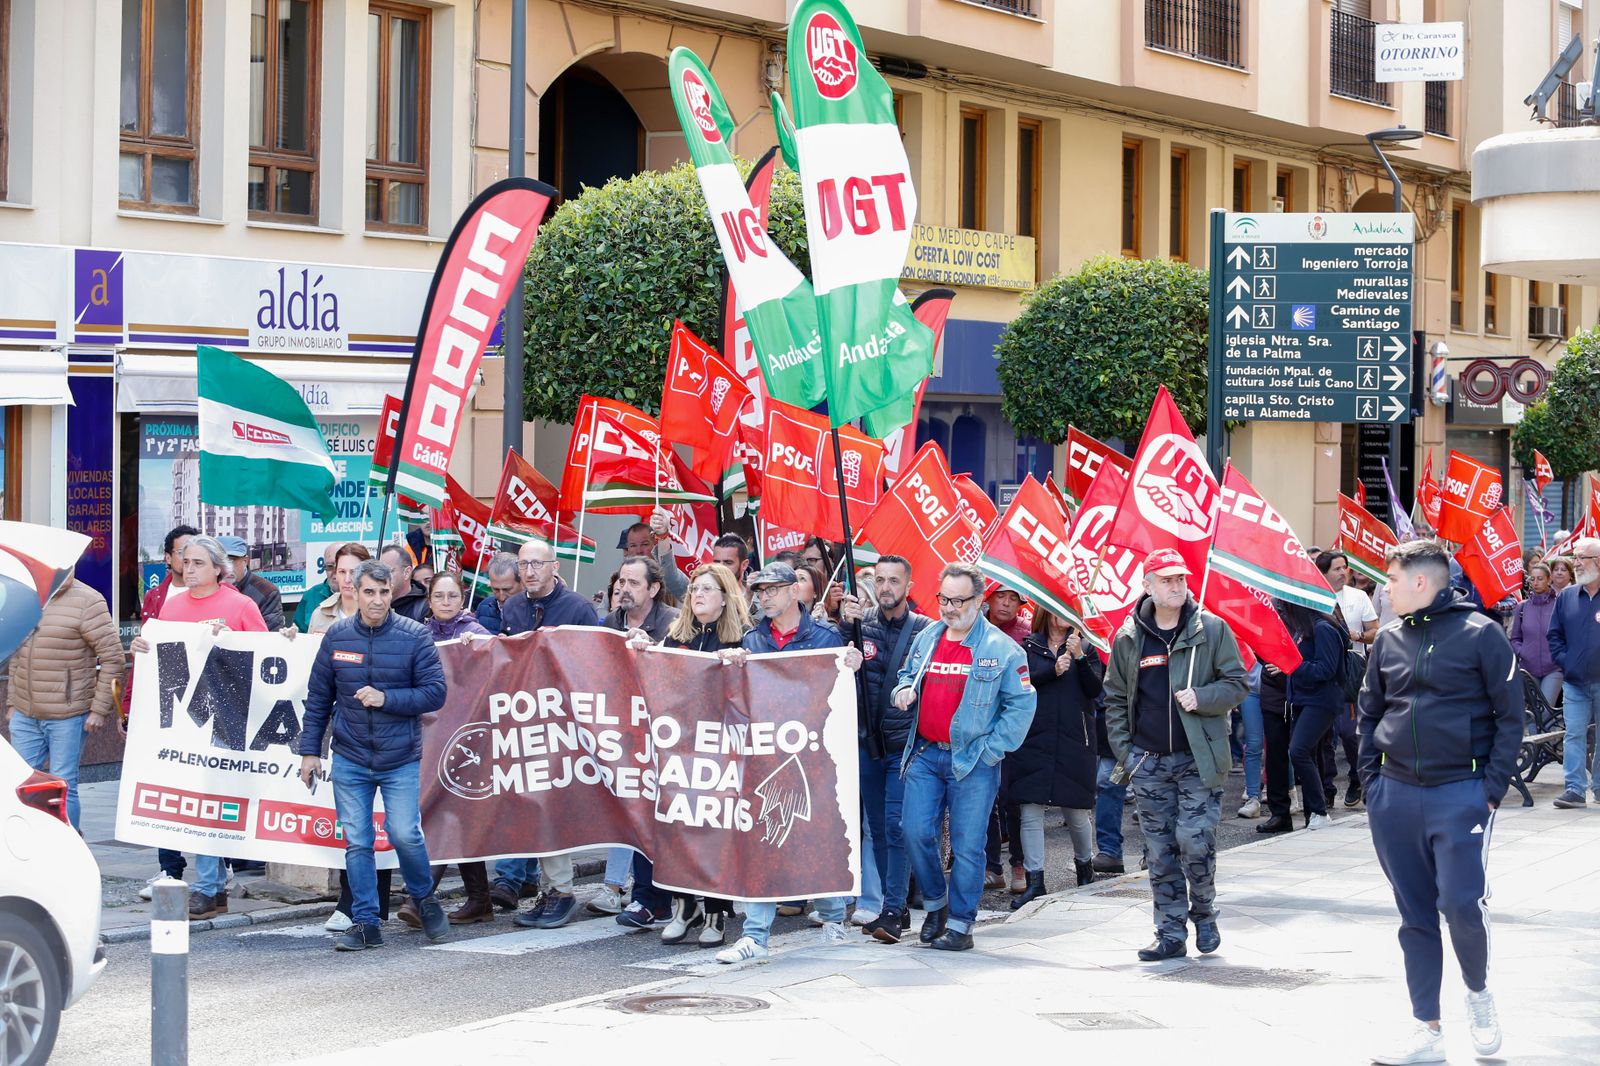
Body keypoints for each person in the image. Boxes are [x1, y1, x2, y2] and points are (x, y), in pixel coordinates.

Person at [1359, 539, 1520, 1063]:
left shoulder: (1482, 635)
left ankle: (1478, 995)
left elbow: (1510, 717)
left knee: (1460, 903)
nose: (1386, 588)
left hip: (1462, 794)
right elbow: (1368, 714)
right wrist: (1372, 785)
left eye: (1391, 580)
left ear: (1420, 582)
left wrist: (1490, 790)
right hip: (1396, 796)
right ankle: (1427, 1029)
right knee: (1415, 914)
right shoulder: (1387, 640)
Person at [296, 559, 450, 951]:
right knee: (358, 841)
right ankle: (366, 921)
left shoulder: (415, 635)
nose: (377, 600)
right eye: (369, 592)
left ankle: (423, 897)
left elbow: (436, 693)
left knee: (404, 833)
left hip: (399, 756)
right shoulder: (337, 636)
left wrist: (386, 699)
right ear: (355, 590)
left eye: (384, 592)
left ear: (392, 591)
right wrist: (309, 752)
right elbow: (318, 699)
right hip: (349, 755)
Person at [1104, 548, 1248, 962]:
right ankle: (1169, 932)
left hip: (1197, 758)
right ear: (1147, 586)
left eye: (1181, 579)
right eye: (1167, 580)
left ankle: (1203, 913)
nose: (1177, 586)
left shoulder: (1211, 629)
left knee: (1194, 839)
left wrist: (1203, 697)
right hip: (1148, 762)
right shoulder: (1129, 637)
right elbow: (1114, 698)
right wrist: (1127, 753)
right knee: (1161, 849)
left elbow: (1237, 684)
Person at [715, 562, 863, 964]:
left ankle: (833, 918)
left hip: (815, 756)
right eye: (759, 591)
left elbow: (839, 691)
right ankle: (755, 935)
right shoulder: (752, 640)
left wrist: (851, 665)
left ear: (794, 592)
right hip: (768, 756)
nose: (764, 597)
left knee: (820, 837)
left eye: (773, 589)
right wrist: (733, 668)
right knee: (764, 840)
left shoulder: (825, 637)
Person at [888, 562, 1036, 952]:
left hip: (972, 761)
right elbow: (907, 674)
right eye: (944, 599)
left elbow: (1020, 708)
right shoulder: (928, 637)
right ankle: (936, 905)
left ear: (978, 600)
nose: (949, 608)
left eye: (958, 600)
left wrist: (990, 751)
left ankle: (960, 924)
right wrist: (903, 691)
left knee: (970, 846)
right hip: (924, 753)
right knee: (915, 832)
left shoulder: (1003, 649)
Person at [130, 535, 270, 919]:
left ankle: (209, 887)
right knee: (188, 802)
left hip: (225, 720)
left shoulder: (240, 605)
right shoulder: (172, 606)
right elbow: (160, 655)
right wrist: (142, 648)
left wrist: (231, 642)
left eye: (197, 564)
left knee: (208, 802)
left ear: (218, 569)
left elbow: (267, 656)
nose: (188, 569)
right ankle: (209, 887)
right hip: (182, 721)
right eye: (186, 563)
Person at [624, 563, 753, 947]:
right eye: (695, 589)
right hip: (679, 751)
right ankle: (684, 905)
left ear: (725, 598)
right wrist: (643, 654)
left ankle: (714, 912)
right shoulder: (675, 637)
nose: (697, 595)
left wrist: (740, 667)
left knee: (714, 833)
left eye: (707, 590)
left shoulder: (741, 641)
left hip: (720, 753)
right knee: (678, 828)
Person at [491, 538, 603, 924]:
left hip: (566, 723)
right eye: (524, 564)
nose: (530, 571)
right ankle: (549, 888)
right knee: (533, 806)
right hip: (525, 721)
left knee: (552, 806)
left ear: (555, 567)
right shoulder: (514, 607)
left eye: (538, 564)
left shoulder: (578, 608)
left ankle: (562, 890)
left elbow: (597, 661)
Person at [392, 572, 495, 927]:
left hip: (469, 738)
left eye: (453, 595)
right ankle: (480, 899)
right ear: (430, 600)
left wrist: (478, 652)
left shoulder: (477, 634)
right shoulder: (419, 635)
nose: (447, 602)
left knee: (444, 814)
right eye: (440, 596)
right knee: (457, 819)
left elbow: (498, 672)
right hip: (431, 736)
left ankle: (418, 898)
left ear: (462, 598)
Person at [839, 555, 930, 943]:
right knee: (877, 827)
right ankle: (895, 905)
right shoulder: (860, 625)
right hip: (866, 741)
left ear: (908, 586)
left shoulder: (926, 630)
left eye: (894, 580)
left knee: (897, 826)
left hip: (905, 745)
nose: (885, 587)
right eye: (879, 580)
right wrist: (844, 628)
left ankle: (894, 907)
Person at [307, 544, 388, 934]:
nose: (348, 579)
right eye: (340, 571)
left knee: (384, 825)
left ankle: (371, 903)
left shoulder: (386, 620)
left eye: (355, 571)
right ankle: (354, 902)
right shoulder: (321, 615)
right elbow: (315, 682)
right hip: (342, 734)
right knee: (352, 826)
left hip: (382, 736)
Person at [7, 574, 124, 830]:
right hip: (25, 714)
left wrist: (98, 709)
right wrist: (12, 703)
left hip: (68, 716)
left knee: (63, 785)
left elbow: (113, 659)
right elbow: (18, 651)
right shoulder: (29, 596)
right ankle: (32, 851)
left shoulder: (88, 600)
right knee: (20, 785)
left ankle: (70, 853)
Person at [598, 555, 680, 919]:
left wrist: (654, 652)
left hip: (665, 734)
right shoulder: (609, 623)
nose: (623, 589)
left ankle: (665, 898)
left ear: (654, 589)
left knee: (662, 816)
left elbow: (681, 672)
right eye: (621, 583)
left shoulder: (672, 624)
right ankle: (649, 900)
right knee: (637, 812)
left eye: (633, 583)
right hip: (625, 734)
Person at [1012, 610, 1105, 904]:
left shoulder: (1087, 648)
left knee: (1076, 810)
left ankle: (1085, 868)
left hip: (1075, 738)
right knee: (1030, 810)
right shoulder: (1028, 646)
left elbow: (1095, 689)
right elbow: (1020, 684)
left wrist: (1078, 658)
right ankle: (1035, 880)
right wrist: (1051, 671)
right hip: (1034, 737)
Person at [1277, 599, 1349, 830]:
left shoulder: (1323, 629)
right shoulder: (1306, 630)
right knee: (1304, 752)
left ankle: (1319, 811)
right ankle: (1317, 811)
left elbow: (1326, 669)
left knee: (1298, 750)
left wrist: (1293, 665)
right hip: (1305, 699)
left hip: (1321, 700)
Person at [1547, 536, 1600, 809]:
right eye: (1575, 558)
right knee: (1574, 734)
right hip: (1575, 681)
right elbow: (1554, 635)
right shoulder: (1567, 596)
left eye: (1582, 558)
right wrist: (1566, 662)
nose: (1575, 564)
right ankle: (1574, 790)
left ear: (1598, 562)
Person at [1317, 550, 1372, 809]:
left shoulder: (1358, 597)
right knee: (1325, 734)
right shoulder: (1313, 596)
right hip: (1323, 672)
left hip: (1351, 672)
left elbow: (1375, 630)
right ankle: (1326, 788)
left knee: (1350, 733)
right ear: (1324, 572)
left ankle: (1357, 776)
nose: (1342, 573)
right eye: (1336, 569)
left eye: (1344, 568)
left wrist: (1358, 636)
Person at [1509, 560, 1563, 710]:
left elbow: (1567, 635)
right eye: (1532, 579)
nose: (1536, 582)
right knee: (1533, 712)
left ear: (1549, 579)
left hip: (1554, 668)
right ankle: (1539, 735)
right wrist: (1523, 652)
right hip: (1528, 668)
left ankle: (1548, 733)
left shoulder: (1559, 604)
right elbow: (1515, 638)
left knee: (1545, 710)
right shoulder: (1522, 607)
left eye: (1540, 578)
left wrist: (1560, 656)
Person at [220, 535, 285, 630]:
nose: (227, 568)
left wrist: (232, 637)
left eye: (231, 561)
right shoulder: (206, 588)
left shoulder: (266, 591)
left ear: (245, 561)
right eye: (222, 562)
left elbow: (271, 636)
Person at [310, 543, 371, 634]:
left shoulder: (378, 615)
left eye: (353, 572)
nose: (347, 579)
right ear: (336, 574)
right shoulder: (319, 615)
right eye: (342, 571)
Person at [1234, 663, 1265, 819]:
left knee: (1280, 745)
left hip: (1278, 687)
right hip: (1251, 689)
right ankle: (1253, 797)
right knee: (1253, 745)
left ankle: (1289, 791)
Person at [295, 543, 342, 633]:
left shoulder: (361, 597)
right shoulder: (311, 596)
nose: (336, 572)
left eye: (341, 568)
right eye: (330, 566)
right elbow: (298, 635)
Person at [379, 542, 429, 622]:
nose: (382, 577)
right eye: (380, 572)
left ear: (407, 573)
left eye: (388, 571)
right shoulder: (375, 604)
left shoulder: (425, 608)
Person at [475, 552, 520, 634]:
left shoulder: (535, 610)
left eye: (507, 589)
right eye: (496, 589)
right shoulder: (484, 606)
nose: (501, 597)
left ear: (522, 582)